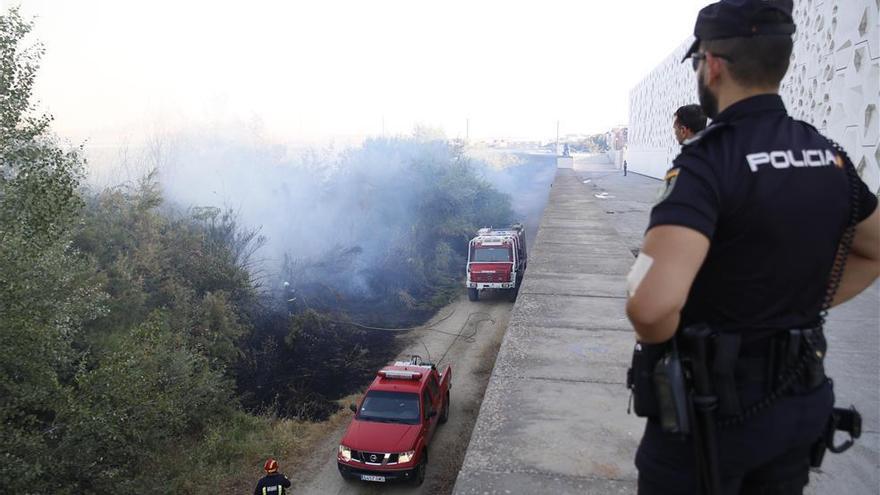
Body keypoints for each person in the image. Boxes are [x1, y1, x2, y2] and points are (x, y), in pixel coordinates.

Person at [625, 0, 880, 494]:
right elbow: (874, 249)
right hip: (797, 403)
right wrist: (799, 306)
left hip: (708, 415)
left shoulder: (705, 164)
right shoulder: (827, 154)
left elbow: (651, 307)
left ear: (713, 64)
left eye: (698, 62)